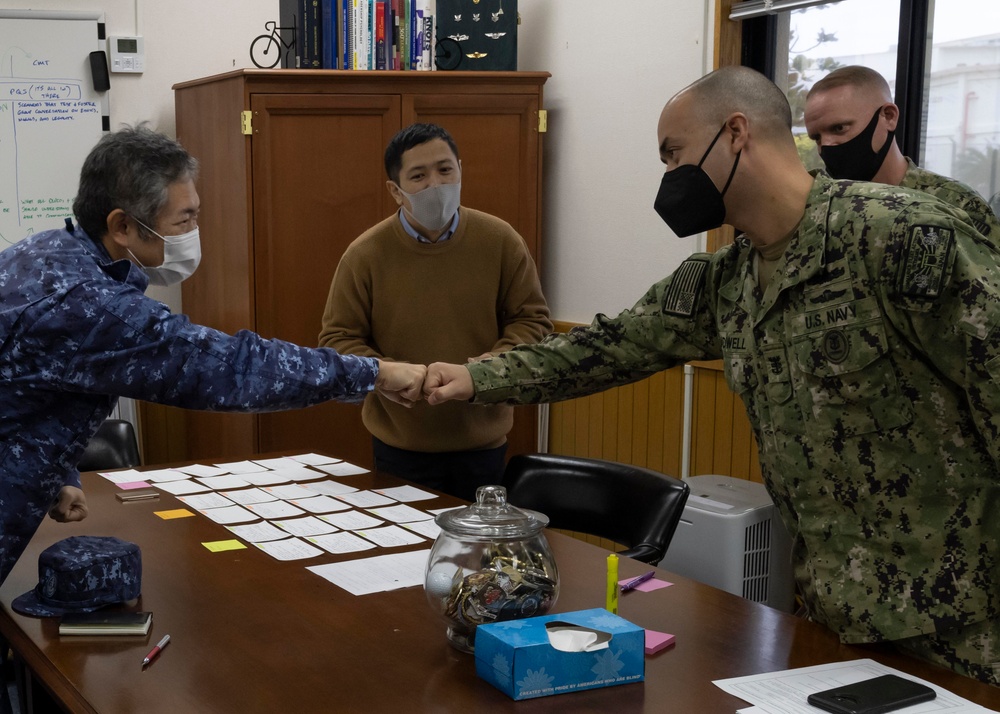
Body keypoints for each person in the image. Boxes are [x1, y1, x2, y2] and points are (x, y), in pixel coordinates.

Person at [424, 66, 1000, 686]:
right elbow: (610, 346)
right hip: (833, 612)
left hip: (962, 624)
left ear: (735, 133)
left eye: (673, 155)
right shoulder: (727, 280)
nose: (669, 177)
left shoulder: (900, 237)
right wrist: (473, 378)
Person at [0, 125, 425, 585]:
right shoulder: (89, 306)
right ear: (122, 225)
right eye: (183, 221)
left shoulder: (47, 252)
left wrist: (56, 470)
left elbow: (32, 387)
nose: (194, 233)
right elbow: (232, 369)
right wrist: (374, 372)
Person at [318, 123, 551, 501]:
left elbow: (532, 320)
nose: (436, 185)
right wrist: (385, 373)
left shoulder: (501, 240)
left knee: (475, 556)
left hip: (483, 444)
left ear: (461, 170)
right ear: (395, 190)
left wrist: (486, 370)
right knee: (402, 557)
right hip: (400, 445)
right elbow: (337, 338)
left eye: (446, 170)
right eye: (418, 176)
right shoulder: (365, 255)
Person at [804, 65, 999, 237]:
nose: (827, 145)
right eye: (817, 138)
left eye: (839, 128)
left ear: (888, 117)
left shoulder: (957, 204)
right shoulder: (821, 208)